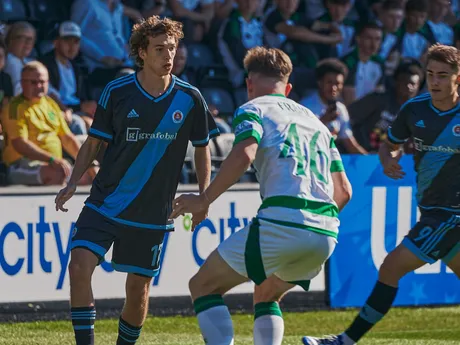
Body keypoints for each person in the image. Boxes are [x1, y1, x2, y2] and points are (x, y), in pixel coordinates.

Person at [170, 46, 353, 345]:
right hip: (326, 231)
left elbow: (244, 153)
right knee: (267, 293)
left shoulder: (253, 108)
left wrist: (204, 199)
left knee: (203, 286)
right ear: (288, 87)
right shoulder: (317, 123)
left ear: (249, 83)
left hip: (284, 222)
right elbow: (344, 191)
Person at [54, 16, 219, 345]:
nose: (168, 56)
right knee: (78, 266)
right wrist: (73, 181)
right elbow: (94, 142)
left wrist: (205, 197)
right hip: (105, 202)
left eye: (172, 48)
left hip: (152, 213)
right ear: (141, 53)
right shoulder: (117, 91)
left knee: (137, 288)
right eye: (159, 49)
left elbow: (202, 150)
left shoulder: (190, 98)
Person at [302, 43, 460, 345]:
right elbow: (391, 143)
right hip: (431, 208)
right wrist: (387, 159)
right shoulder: (415, 110)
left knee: (390, 267)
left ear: (458, 78)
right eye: (431, 75)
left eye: (443, 75)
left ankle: (345, 340)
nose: (435, 82)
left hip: (451, 214)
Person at [1, 61, 96, 186]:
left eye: (43, 82)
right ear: (23, 83)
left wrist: (89, 165)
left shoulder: (50, 104)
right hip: (21, 164)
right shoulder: (14, 108)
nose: (39, 86)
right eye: (33, 82)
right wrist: (51, 159)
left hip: (53, 163)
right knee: (58, 172)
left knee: (91, 174)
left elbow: (67, 139)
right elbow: (20, 144)